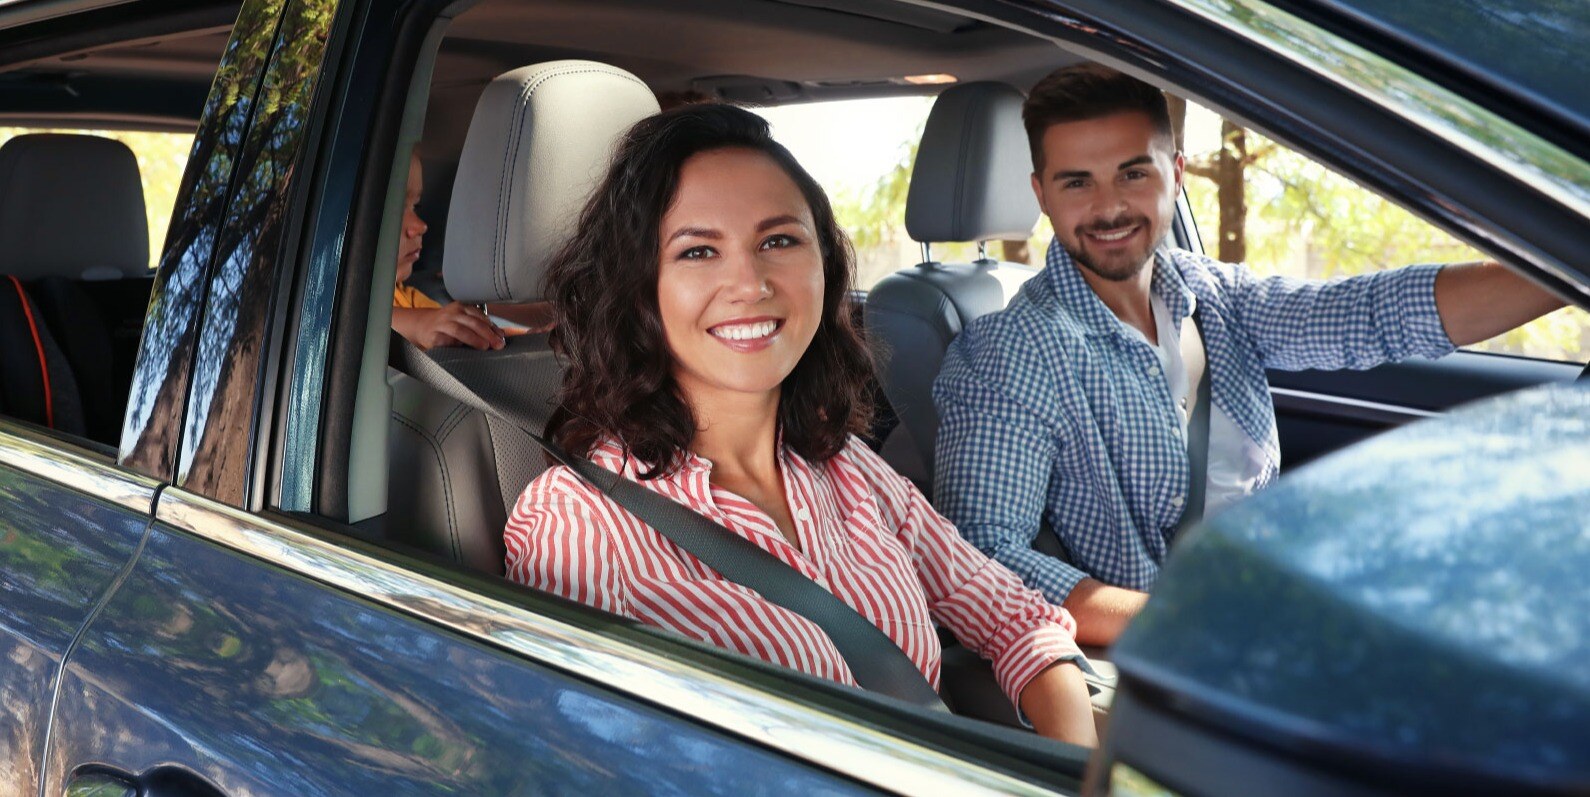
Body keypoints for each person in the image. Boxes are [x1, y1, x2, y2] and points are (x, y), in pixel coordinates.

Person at [503, 104, 1098, 746]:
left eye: (778, 241)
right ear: (639, 289)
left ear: (825, 265)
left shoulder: (848, 469)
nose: (750, 283)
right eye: (698, 251)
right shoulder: (580, 526)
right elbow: (592, 763)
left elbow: (1019, 622)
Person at [932, 64, 1567, 646]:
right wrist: (1187, 618)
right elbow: (983, 554)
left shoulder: (1211, 294)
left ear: (1175, 174)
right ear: (1042, 194)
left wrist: (1565, 268)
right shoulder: (1011, 353)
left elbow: (1374, 314)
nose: (1109, 207)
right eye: (1078, 183)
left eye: (1133, 172)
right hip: (1171, 652)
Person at [390, 150, 556, 349]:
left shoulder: (409, 297)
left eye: (415, 206)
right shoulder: (352, 300)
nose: (421, 225)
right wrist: (420, 324)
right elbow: (366, 321)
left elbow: (464, 334)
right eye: (395, 209)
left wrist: (526, 338)